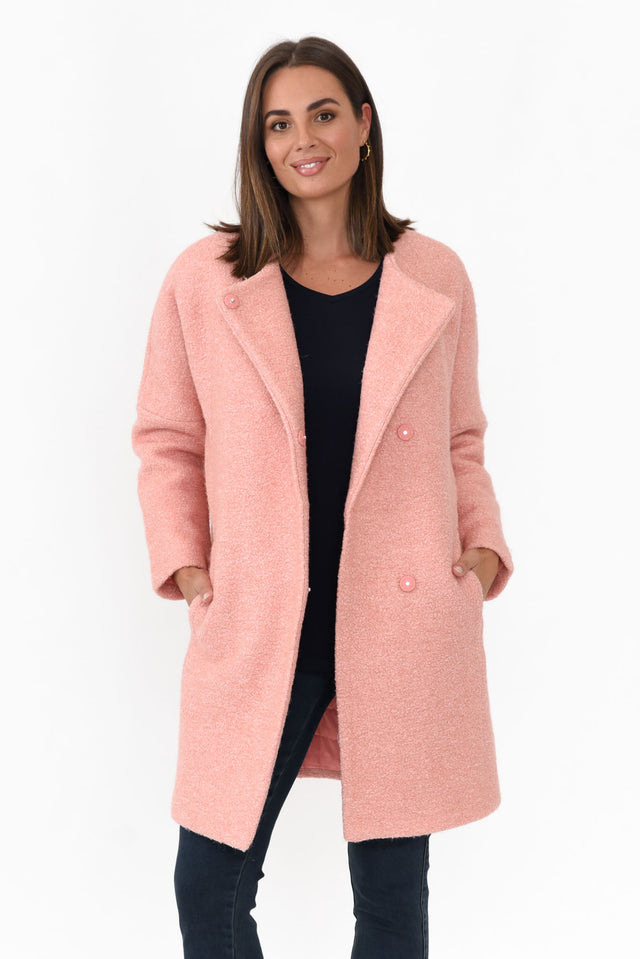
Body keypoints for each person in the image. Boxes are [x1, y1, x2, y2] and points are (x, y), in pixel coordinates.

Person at [131, 35, 514, 959]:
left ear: (364, 125)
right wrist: (191, 568)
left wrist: (479, 553)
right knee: (210, 882)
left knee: (391, 898)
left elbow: (462, 437)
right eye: (278, 123)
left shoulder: (434, 276)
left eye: (324, 113)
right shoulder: (206, 280)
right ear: (258, 144)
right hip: (265, 616)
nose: (302, 139)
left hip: (401, 619)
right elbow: (168, 437)